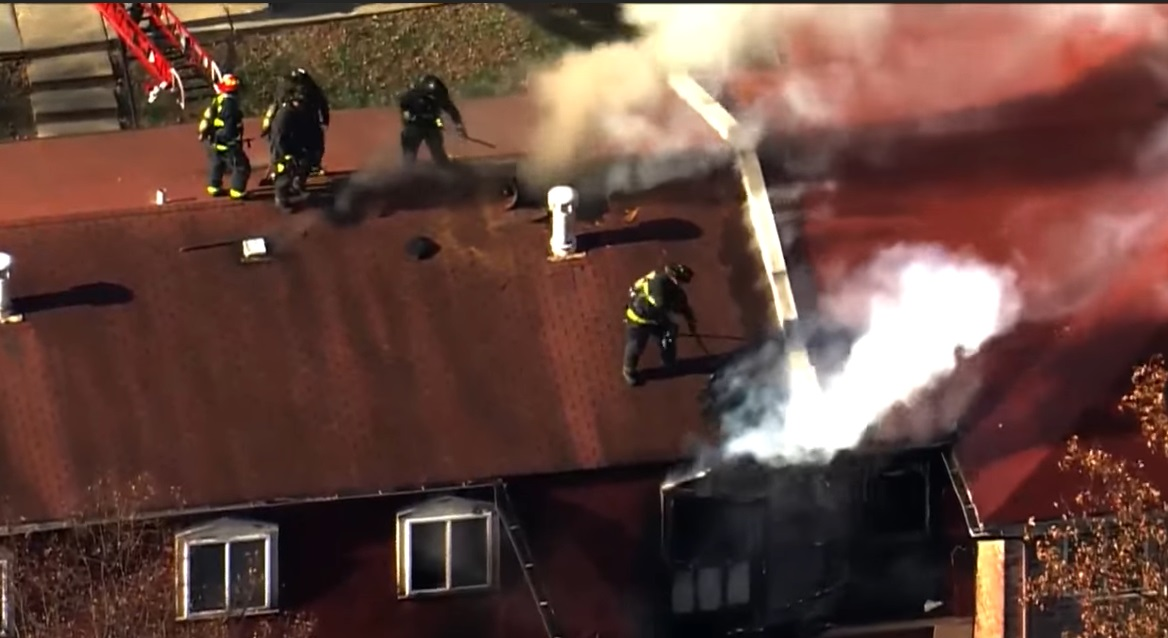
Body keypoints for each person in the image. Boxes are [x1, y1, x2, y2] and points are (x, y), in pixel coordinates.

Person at [622, 264, 697, 387]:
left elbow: (683, 306)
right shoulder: (658, 285)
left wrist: (691, 321)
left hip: (656, 318)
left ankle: (669, 362)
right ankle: (629, 371)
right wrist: (672, 326)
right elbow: (662, 309)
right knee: (636, 346)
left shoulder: (675, 290)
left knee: (668, 338)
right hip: (638, 318)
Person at [197, 73, 250, 200]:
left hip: (214, 139)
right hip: (227, 141)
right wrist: (232, 141)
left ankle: (214, 187)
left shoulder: (218, 100)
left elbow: (209, 117)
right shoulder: (230, 105)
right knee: (242, 166)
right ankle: (237, 191)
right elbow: (230, 127)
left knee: (218, 163)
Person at [396, 74, 466, 165]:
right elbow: (404, 108)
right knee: (409, 153)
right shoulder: (412, 98)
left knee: (437, 148)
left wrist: (458, 126)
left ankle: (441, 165)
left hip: (432, 123)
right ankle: (408, 170)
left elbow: (450, 110)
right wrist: (407, 117)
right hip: (414, 125)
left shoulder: (438, 98)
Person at [267, 87, 313, 211]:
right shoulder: (285, 115)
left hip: (291, 145)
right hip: (281, 148)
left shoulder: (295, 112)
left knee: (302, 164)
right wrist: (284, 154)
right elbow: (278, 137)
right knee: (284, 173)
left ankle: (295, 187)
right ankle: (281, 200)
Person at [287, 68, 329, 175]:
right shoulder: (290, 91)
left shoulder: (312, 90)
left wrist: (325, 119)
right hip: (299, 122)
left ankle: (312, 165)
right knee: (301, 146)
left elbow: (322, 105)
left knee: (314, 145)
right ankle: (300, 166)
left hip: (309, 121)